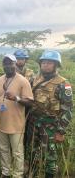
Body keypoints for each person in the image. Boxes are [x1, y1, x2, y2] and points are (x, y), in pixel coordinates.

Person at [27, 50, 73, 178]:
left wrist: (60, 131)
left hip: (51, 126)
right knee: (32, 153)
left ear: (56, 65)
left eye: (49, 63)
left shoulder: (63, 83)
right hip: (33, 123)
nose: (46, 65)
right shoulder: (34, 80)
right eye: (44, 62)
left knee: (50, 158)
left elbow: (68, 109)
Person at [0, 54, 33, 178]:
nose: (8, 66)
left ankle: (18, 174)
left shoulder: (23, 81)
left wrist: (16, 98)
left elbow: (30, 102)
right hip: (1, 123)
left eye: (10, 63)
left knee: (17, 152)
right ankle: (5, 172)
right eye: (5, 63)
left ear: (15, 64)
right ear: (3, 65)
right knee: (3, 150)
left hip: (16, 125)